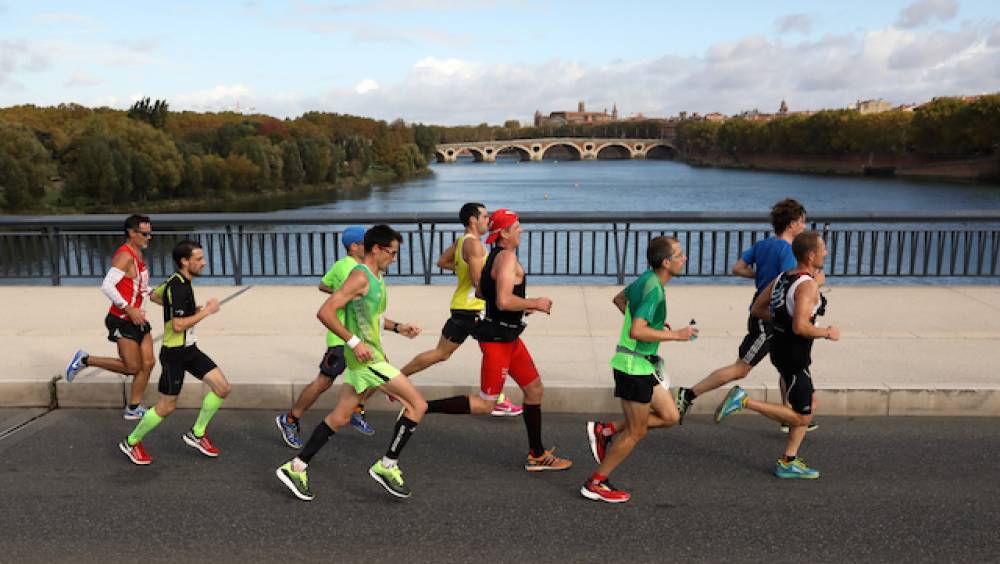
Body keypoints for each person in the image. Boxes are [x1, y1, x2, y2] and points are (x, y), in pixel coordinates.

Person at [276, 225, 426, 501]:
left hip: (369, 357)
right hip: (367, 359)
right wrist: (354, 342)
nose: (395, 259)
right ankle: (387, 465)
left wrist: (398, 327)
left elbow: (371, 316)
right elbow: (325, 312)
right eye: (392, 253)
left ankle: (295, 468)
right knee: (417, 405)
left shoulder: (377, 277)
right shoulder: (360, 276)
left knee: (340, 417)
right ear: (377, 249)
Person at [422, 209, 572, 472]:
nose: (521, 230)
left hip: (509, 337)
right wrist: (534, 303)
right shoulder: (506, 258)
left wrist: (519, 308)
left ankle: (537, 455)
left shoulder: (493, 255)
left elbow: (483, 292)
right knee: (486, 404)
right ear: (503, 233)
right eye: (516, 227)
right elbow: (503, 300)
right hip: (497, 340)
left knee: (534, 390)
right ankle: (422, 406)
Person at [674, 199, 811, 433]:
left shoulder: (763, 245)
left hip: (768, 312)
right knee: (741, 368)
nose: (804, 227)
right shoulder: (788, 252)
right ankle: (687, 394)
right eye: (802, 222)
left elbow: (737, 268)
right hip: (767, 318)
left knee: (787, 367)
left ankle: (788, 414)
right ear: (791, 224)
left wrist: (760, 276)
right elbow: (789, 283)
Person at [714, 230, 838, 479]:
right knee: (802, 416)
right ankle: (744, 401)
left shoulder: (784, 277)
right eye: (822, 248)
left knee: (808, 405)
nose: (826, 252)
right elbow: (800, 327)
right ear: (811, 255)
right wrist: (827, 332)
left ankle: (789, 459)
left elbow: (757, 309)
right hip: (794, 355)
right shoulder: (807, 285)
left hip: (781, 349)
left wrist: (783, 318)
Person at [581, 236, 697, 503]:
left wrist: (653, 326)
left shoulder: (647, 279)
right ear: (666, 262)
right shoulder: (654, 290)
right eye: (679, 255)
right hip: (632, 367)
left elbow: (619, 299)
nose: (684, 258)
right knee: (636, 431)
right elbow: (636, 330)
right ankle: (595, 483)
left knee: (670, 416)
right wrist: (677, 335)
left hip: (642, 364)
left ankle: (606, 430)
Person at [395, 202, 522, 416]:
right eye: (484, 216)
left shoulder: (461, 241)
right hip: (475, 310)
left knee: (441, 353)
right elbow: (478, 283)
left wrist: (463, 269)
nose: (488, 220)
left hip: (462, 307)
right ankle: (496, 398)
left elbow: (442, 262)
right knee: (498, 350)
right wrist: (504, 298)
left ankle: (397, 380)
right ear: (472, 220)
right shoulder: (475, 246)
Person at [118, 240, 232, 465]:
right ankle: (131, 442)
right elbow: (178, 325)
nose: (204, 263)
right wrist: (207, 311)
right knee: (166, 406)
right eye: (199, 259)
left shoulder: (177, 281)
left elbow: (155, 296)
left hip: (190, 350)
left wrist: (189, 310)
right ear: (184, 261)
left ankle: (197, 434)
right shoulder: (178, 286)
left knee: (222, 388)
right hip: (174, 354)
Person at [275, 226, 371, 448]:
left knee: (378, 372)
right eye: (366, 242)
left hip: (358, 337)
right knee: (324, 381)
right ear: (354, 246)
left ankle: (356, 409)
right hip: (341, 337)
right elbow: (344, 295)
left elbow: (323, 285)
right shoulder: (348, 268)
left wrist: (339, 293)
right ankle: (290, 419)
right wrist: (343, 296)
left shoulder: (352, 267)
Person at [66, 214, 156, 421]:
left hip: (138, 319)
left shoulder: (137, 255)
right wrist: (128, 308)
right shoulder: (125, 255)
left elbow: (139, 286)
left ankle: (133, 408)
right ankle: (85, 359)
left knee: (149, 362)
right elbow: (107, 285)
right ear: (131, 233)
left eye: (150, 233)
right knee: (132, 367)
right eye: (145, 234)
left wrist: (163, 298)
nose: (149, 237)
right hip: (121, 319)